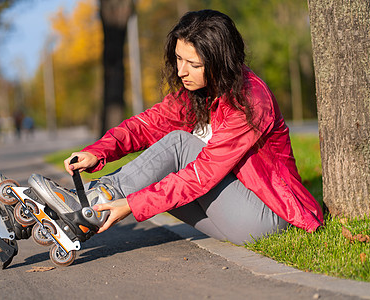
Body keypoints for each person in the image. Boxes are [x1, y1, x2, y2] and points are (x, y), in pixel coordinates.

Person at [61, 9, 323, 245]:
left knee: (180, 144)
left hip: (269, 216)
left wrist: (133, 204)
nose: (181, 72)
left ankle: (93, 202)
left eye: (194, 64)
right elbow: (150, 124)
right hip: (233, 212)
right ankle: (83, 207)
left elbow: (203, 173)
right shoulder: (199, 91)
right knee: (160, 172)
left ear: (220, 62)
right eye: (178, 59)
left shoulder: (250, 101)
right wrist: (98, 151)